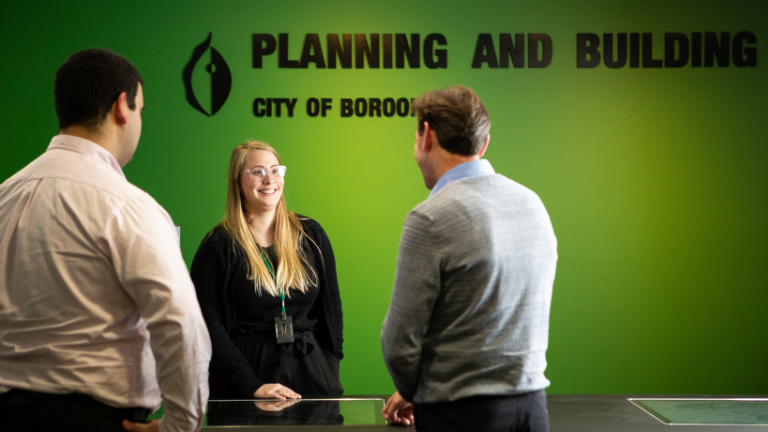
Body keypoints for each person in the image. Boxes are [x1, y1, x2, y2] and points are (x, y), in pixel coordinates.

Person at [0, 49, 211, 432]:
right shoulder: (125, 205)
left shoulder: (5, 196)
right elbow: (180, 322)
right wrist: (180, 426)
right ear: (121, 107)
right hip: (93, 419)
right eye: (141, 109)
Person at [380, 86, 557, 432]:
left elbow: (398, 341)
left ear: (426, 135)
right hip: (532, 409)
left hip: (461, 416)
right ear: (484, 142)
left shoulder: (429, 217)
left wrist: (418, 389)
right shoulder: (532, 203)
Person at [191, 141, 343, 401]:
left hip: (310, 370)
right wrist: (251, 385)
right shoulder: (218, 245)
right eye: (258, 172)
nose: (269, 179)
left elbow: (331, 308)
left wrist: (328, 368)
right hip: (246, 375)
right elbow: (205, 324)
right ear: (238, 181)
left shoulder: (311, 234)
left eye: (275, 170)